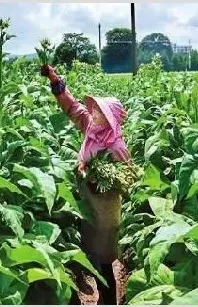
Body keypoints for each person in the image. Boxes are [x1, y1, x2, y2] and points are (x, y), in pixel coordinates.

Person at [41, 64, 131, 304]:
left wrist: (94, 176)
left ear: (111, 120)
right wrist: (54, 79)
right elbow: (71, 106)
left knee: (102, 257)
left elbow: (127, 178)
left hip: (104, 210)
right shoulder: (90, 126)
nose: (94, 114)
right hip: (85, 204)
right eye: (95, 110)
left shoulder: (116, 146)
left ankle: (109, 298)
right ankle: (95, 292)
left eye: (100, 112)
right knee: (88, 252)